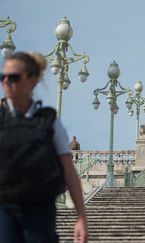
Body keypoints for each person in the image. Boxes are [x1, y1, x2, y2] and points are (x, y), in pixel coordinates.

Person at [0, 52, 88, 242]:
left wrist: (81, 217)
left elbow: (69, 172)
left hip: (39, 209)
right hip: (3, 207)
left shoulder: (49, 122)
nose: (6, 81)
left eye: (13, 77)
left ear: (32, 80)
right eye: (2, 76)